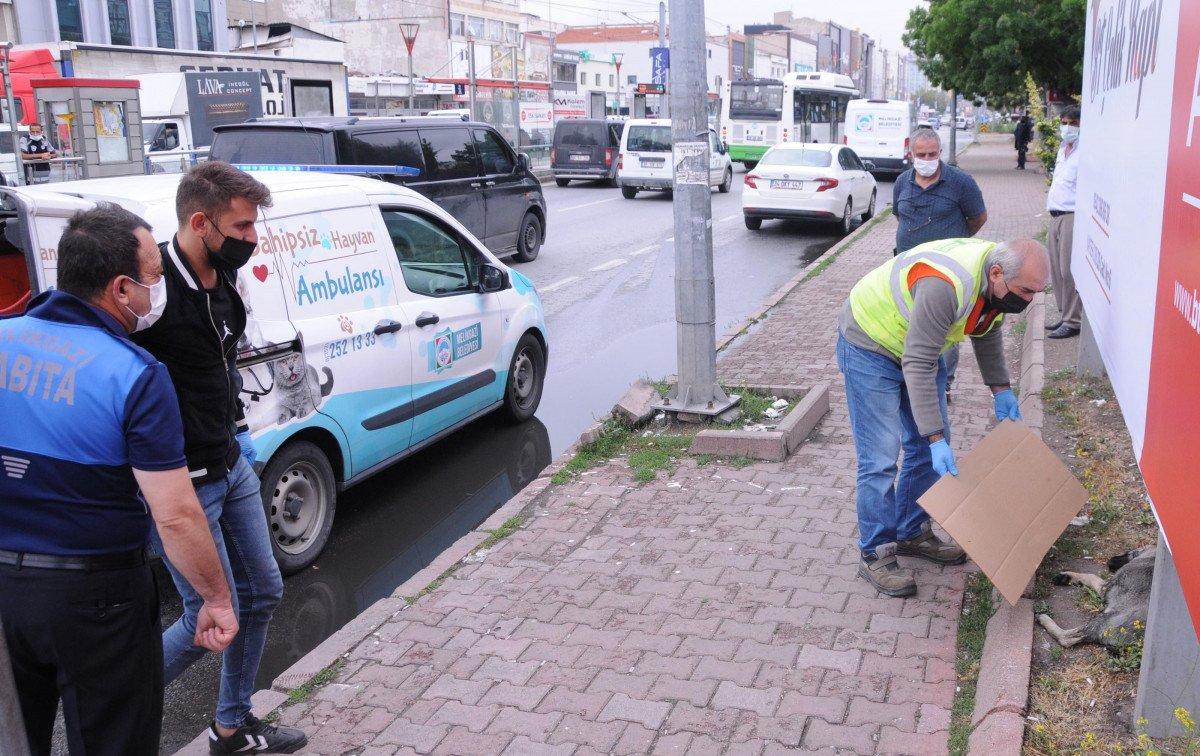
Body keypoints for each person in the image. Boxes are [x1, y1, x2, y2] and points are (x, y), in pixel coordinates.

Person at [0, 204, 237, 755]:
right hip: (98, 599)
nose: (158, 289)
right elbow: (175, 513)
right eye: (154, 278)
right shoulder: (135, 374)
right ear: (121, 289)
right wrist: (216, 598)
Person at [132, 162, 307, 754]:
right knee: (205, 615)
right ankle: (112, 698)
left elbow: (223, 359)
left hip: (230, 464)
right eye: (242, 226)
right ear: (201, 222)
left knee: (263, 593)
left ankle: (231, 726)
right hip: (181, 486)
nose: (252, 237)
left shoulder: (230, 282)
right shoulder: (153, 289)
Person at [837, 237, 1050, 596]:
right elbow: (918, 364)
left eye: (1036, 293)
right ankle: (876, 550)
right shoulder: (946, 286)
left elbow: (986, 328)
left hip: (916, 346)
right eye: (1027, 291)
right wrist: (934, 436)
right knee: (880, 458)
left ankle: (910, 530)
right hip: (871, 342)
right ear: (997, 274)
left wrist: (1000, 388)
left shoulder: (994, 279)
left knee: (926, 446)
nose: (1029, 301)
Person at [892, 127, 988, 403]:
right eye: (921, 154)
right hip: (908, 269)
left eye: (932, 154)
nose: (927, 159)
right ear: (911, 154)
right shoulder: (902, 182)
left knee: (945, 329)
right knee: (910, 324)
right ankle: (914, 378)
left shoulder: (960, 182)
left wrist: (956, 245)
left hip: (947, 272)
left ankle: (944, 383)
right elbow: (900, 216)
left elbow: (978, 218)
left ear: (940, 153)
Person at [1046, 105, 1082, 339]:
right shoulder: (1062, 148)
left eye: (1073, 123)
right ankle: (1063, 314)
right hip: (1055, 215)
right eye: (1064, 122)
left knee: (1068, 270)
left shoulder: (1086, 151)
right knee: (1056, 270)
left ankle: (1073, 320)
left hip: (1072, 215)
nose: (1067, 127)